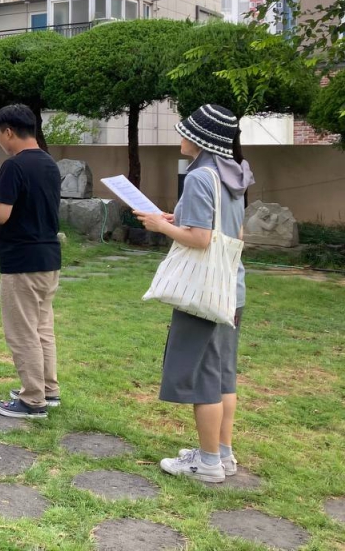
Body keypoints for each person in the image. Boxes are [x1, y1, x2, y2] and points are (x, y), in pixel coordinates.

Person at [134, 104, 253, 484]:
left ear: (201, 139)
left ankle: (207, 463)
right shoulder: (234, 174)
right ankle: (223, 454)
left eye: (185, 131)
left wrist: (159, 225)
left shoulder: (201, 176)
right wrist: (177, 220)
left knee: (203, 377)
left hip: (203, 293)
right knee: (223, 375)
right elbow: (232, 233)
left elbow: (201, 239)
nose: (181, 137)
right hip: (231, 289)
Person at [0, 104, 62, 420]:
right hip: (48, 258)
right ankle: (48, 390)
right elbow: (30, 199)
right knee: (42, 328)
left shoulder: (14, 165)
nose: (0, 141)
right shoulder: (48, 163)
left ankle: (32, 400)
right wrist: (0, 188)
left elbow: (1, 214)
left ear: (8, 132)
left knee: (22, 332)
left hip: (22, 262)